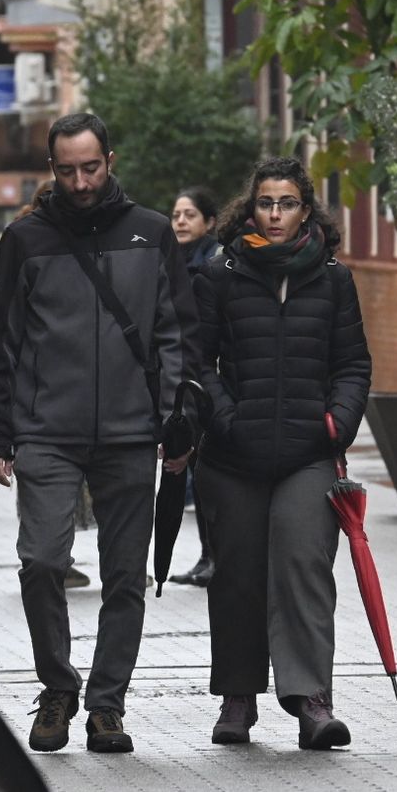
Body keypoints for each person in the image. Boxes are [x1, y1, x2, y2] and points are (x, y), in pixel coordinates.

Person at [0, 112, 196, 754]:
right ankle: (58, 687)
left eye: (90, 167)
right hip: (46, 430)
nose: (79, 180)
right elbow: (1, 342)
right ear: (52, 168)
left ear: (111, 160)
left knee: (125, 576)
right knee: (42, 561)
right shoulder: (25, 240)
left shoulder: (153, 233)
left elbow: (176, 333)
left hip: (132, 434)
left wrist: (174, 417)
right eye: (67, 169)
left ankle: (107, 704)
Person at [191, 156, 372, 750]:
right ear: (252, 207)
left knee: (303, 567)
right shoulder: (223, 272)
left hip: (306, 454)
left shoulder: (332, 277)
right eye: (265, 203)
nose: (274, 214)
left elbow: (352, 364)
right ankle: (238, 699)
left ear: (306, 209)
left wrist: (336, 426)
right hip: (234, 455)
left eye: (287, 203)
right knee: (238, 574)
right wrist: (225, 419)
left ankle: (311, 699)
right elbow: (197, 361)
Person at [167, 186, 223, 588]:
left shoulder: (217, 263)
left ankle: (219, 556)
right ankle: (206, 555)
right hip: (181, 382)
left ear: (209, 222)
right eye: (176, 215)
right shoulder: (167, 263)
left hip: (211, 381)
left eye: (189, 215)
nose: (182, 221)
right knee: (196, 474)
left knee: (211, 473)